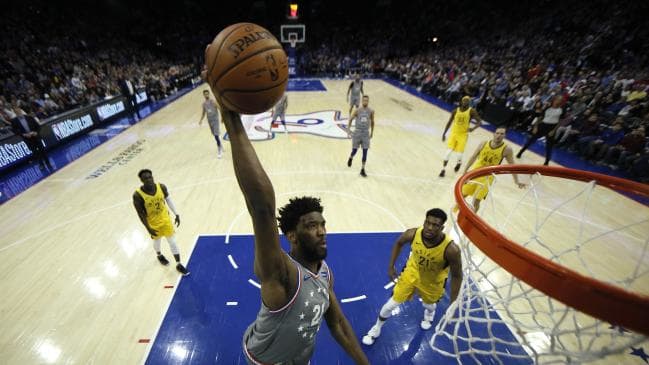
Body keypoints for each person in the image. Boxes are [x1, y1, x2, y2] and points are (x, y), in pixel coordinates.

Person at [212, 92, 369, 364]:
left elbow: (338, 324)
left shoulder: (324, 273)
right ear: (292, 236)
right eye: (311, 226)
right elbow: (261, 207)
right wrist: (231, 118)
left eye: (323, 225)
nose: (321, 231)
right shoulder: (280, 271)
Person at [362, 208, 462, 345]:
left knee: (429, 305)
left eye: (435, 225)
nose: (429, 228)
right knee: (391, 304)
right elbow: (398, 243)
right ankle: (377, 328)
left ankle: (429, 314)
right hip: (411, 274)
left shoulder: (451, 250)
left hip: (433, 282)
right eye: (428, 223)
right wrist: (391, 266)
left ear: (442, 227)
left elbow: (457, 276)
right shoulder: (413, 234)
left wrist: (453, 303)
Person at [132, 169, 189, 276]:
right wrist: (148, 228)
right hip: (153, 223)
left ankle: (179, 263)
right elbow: (141, 214)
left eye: (150, 177)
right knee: (157, 242)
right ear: (141, 180)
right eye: (146, 178)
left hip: (165, 219)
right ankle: (159, 255)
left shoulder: (161, 187)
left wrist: (176, 214)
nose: (149, 180)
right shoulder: (137, 195)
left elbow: (169, 200)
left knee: (172, 242)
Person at [459, 127, 526, 212]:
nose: (499, 135)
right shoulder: (484, 143)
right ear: (494, 134)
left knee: (476, 201)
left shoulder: (507, 149)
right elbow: (473, 157)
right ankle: (457, 213)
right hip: (475, 173)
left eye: (502, 134)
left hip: (487, 178)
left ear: (505, 136)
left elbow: (512, 166)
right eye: (497, 133)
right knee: (462, 194)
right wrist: (465, 171)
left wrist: (516, 181)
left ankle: (471, 219)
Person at [439, 96, 482, 177]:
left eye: (467, 101)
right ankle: (443, 170)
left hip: (463, 135)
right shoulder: (455, 110)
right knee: (447, 153)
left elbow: (479, 122)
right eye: (464, 100)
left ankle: (459, 163)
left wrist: (473, 128)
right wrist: (444, 133)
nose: (465, 102)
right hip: (453, 134)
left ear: (469, 102)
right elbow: (449, 122)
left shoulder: (471, 111)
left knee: (459, 154)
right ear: (461, 101)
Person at [516, 95, 564, 165]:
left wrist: (554, 130)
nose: (558, 101)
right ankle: (521, 152)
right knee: (531, 140)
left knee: (549, 145)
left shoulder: (561, 110)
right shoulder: (547, 108)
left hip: (552, 127)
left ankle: (547, 161)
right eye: (557, 99)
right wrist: (535, 127)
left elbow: (560, 121)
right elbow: (540, 117)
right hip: (543, 125)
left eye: (560, 100)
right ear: (554, 99)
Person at [346, 95, 374, 177]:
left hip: (365, 133)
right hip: (357, 132)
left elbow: (372, 122)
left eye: (367, 100)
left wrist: (372, 132)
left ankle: (362, 169)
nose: (365, 102)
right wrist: (348, 130)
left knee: (365, 152)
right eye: (364, 100)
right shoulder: (357, 110)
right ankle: (351, 157)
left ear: (368, 101)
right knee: (354, 150)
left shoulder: (371, 111)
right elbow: (350, 119)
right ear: (362, 101)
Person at [199, 89, 224, 158]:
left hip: (215, 120)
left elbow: (220, 108)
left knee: (216, 135)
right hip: (209, 121)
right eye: (205, 94)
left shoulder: (213, 101)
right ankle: (220, 145)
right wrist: (201, 120)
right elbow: (204, 113)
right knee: (215, 135)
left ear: (209, 94)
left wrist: (222, 118)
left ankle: (219, 150)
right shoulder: (204, 104)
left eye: (207, 94)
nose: (206, 95)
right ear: (203, 95)